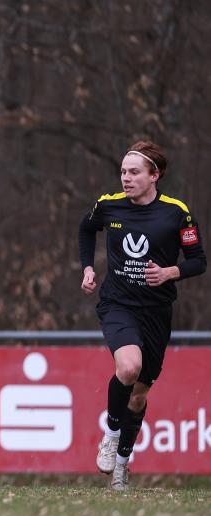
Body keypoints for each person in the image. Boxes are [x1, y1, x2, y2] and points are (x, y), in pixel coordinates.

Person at [79, 140, 205, 491]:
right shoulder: (109, 205)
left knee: (138, 394)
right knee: (128, 367)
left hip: (156, 313)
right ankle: (110, 435)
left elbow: (198, 261)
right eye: (123, 172)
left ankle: (122, 463)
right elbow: (86, 228)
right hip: (118, 305)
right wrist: (88, 268)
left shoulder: (177, 213)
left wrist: (169, 273)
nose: (126, 178)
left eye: (134, 172)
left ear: (154, 175)